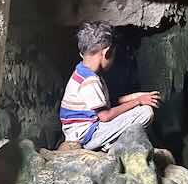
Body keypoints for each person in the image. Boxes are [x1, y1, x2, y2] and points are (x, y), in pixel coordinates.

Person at [59, 21, 160, 151]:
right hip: (87, 136)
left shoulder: (83, 71)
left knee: (138, 107)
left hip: (83, 130)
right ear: (107, 52)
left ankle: (109, 143)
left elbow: (108, 103)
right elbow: (105, 116)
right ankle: (107, 146)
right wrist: (138, 101)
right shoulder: (90, 81)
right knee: (145, 112)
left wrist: (137, 96)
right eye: (114, 55)